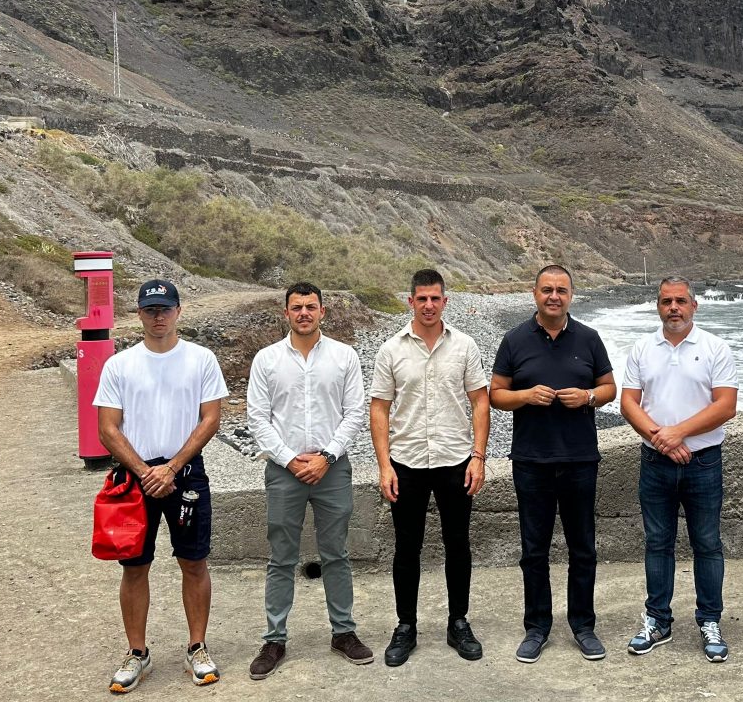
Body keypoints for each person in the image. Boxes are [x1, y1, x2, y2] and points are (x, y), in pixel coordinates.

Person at [95, 279, 228, 693]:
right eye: (150, 310)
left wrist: (171, 468)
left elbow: (210, 419)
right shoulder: (119, 365)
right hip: (136, 481)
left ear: (178, 312)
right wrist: (143, 470)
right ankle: (137, 653)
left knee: (194, 562)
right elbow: (107, 428)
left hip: (185, 475)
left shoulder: (201, 359)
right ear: (138, 314)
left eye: (165, 309)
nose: (158, 316)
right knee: (134, 567)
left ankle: (197, 646)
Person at [490, 264, 616, 663]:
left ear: (571, 295)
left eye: (561, 290)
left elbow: (610, 387)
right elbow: (495, 395)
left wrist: (589, 397)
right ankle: (537, 627)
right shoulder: (514, 340)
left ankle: (583, 625)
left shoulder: (590, 338)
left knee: (583, 549)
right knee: (534, 550)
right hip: (531, 461)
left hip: (580, 460)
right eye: (547, 289)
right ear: (535, 293)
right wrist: (525, 396)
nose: (554, 296)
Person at [246, 282, 372, 679]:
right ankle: (275, 639)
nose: (304, 312)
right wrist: (288, 459)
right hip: (284, 473)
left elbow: (355, 412)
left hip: (332, 469)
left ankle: (344, 633)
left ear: (322, 312)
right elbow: (257, 417)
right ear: (286, 312)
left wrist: (326, 456)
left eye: (311, 306)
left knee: (336, 553)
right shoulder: (266, 359)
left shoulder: (344, 356)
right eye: (297, 307)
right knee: (280, 557)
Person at [369, 269, 490, 667]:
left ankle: (459, 622)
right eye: (421, 298)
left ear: (445, 301)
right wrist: (384, 465)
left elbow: (479, 402)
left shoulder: (465, 346)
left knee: (458, 544)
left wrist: (478, 456)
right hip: (407, 463)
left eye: (435, 298)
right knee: (407, 548)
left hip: (456, 461)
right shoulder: (391, 350)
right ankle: (406, 626)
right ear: (410, 301)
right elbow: (380, 409)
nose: (428, 305)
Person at [620, 276, 738, 662]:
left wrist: (678, 434)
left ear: (694, 306)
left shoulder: (715, 347)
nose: (674, 308)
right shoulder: (642, 348)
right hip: (655, 461)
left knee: (707, 543)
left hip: (703, 461)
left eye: (681, 301)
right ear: (658, 306)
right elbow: (629, 403)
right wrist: (661, 439)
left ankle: (709, 621)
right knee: (657, 542)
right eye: (667, 301)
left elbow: (726, 405)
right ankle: (657, 620)